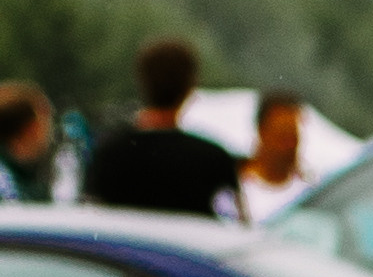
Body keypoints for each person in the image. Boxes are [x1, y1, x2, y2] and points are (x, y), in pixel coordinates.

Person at [84, 39, 242, 221]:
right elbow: (237, 226)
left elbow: (90, 221)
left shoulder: (108, 154)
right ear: (190, 87)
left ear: (142, 81)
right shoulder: (214, 159)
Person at [239, 90, 307, 223]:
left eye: (294, 137)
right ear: (261, 132)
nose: (290, 146)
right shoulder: (235, 186)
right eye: (282, 137)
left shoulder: (307, 193)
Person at [0, 83, 55, 205]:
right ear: (33, 128)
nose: (50, 133)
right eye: (46, 120)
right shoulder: (8, 183)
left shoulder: (20, 174)